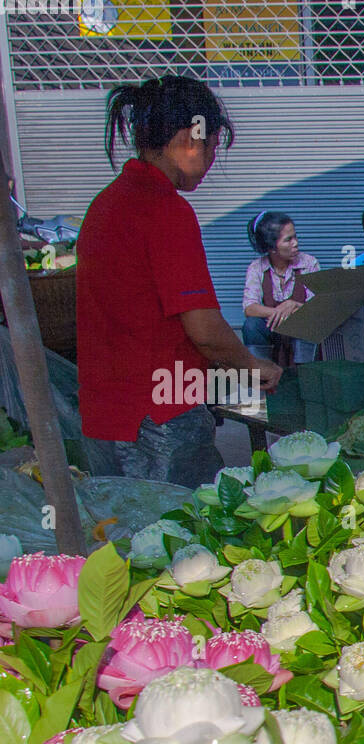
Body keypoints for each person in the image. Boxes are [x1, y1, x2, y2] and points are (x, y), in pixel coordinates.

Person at [77, 76, 281, 488]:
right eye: (211, 147)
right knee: (186, 536)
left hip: (106, 411)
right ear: (193, 136)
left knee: (126, 534)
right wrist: (253, 366)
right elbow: (204, 330)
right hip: (161, 412)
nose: (208, 163)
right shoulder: (166, 211)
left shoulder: (106, 204)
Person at [241, 210, 319, 368]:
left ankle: (305, 375)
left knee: (308, 321)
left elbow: (318, 307)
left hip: (301, 332)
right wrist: (280, 313)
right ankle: (262, 374)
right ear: (272, 247)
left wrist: (294, 305)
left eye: (295, 237)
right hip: (273, 332)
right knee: (252, 325)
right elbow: (250, 308)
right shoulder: (257, 268)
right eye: (288, 240)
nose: (295, 243)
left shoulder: (309, 263)